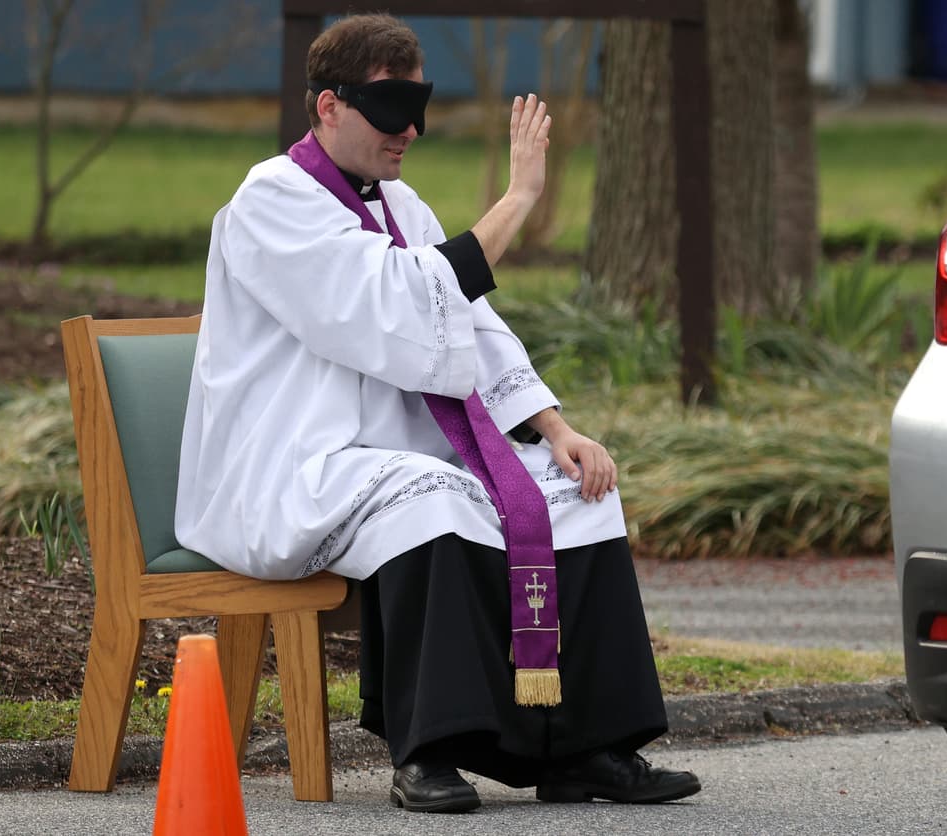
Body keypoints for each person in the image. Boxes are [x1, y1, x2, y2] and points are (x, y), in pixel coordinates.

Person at [174, 12, 701, 813]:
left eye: (418, 109)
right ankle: (427, 753)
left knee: (579, 494)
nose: (410, 130)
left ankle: (589, 748)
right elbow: (394, 303)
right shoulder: (270, 203)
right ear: (328, 107)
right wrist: (520, 198)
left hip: (386, 451)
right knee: (432, 498)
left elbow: (472, 326)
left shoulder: (398, 204)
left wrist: (556, 429)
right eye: (391, 111)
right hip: (291, 465)